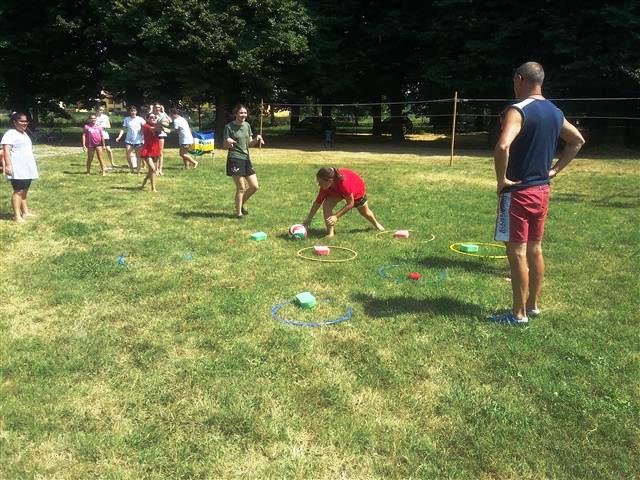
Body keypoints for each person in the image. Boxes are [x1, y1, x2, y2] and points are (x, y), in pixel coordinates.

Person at [488, 61, 585, 326]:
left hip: (518, 192)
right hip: (542, 191)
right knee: (534, 249)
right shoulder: (555, 111)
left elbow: (502, 146)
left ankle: (518, 315)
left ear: (520, 79)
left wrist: (501, 180)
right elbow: (577, 141)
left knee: (517, 252)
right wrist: (554, 171)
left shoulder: (517, 110)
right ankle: (532, 306)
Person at [302, 167, 384, 237]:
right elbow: (317, 202)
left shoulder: (344, 184)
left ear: (330, 181)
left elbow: (350, 203)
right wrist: (309, 218)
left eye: (321, 182)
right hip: (336, 190)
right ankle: (330, 233)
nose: (319, 185)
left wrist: (336, 217)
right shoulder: (326, 186)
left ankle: (376, 224)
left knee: (365, 212)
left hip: (355, 189)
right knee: (327, 205)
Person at [223, 104, 264, 218]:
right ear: (235, 114)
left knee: (254, 186)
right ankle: (238, 213)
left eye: (245, 113)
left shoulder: (247, 125)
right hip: (234, 158)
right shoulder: (229, 127)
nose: (243, 115)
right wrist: (228, 142)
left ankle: (239, 205)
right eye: (241, 113)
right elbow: (224, 145)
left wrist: (256, 139)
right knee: (241, 187)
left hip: (246, 158)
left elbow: (249, 144)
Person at [2, 112, 39, 223]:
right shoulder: (10, 133)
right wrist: (8, 165)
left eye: (26, 121)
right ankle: (17, 216)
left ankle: (25, 213)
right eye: (21, 121)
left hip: (27, 167)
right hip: (17, 168)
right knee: (18, 191)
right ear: (14, 122)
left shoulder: (24, 133)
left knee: (24, 191)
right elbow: (6, 150)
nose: (24, 123)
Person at [140, 113, 168, 192]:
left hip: (155, 150)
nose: (153, 118)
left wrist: (162, 126)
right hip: (147, 150)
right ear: (147, 119)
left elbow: (168, 130)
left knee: (151, 170)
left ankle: (145, 180)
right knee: (153, 169)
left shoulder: (157, 127)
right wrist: (161, 124)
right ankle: (153, 189)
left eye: (155, 117)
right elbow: (154, 129)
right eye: (151, 117)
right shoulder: (146, 126)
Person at [115, 105, 146, 173]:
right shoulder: (127, 119)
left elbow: (146, 126)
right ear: (130, 112)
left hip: (138, 140)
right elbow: (123, 129)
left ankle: (138, 170)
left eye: (134, 111)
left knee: (138, 156)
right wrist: (119, 137)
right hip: (129, 140)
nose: (133, 112)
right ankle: (131, 169)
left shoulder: (140, 119)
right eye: (131, 111)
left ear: (136, 112)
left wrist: (142, 130)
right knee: (128, 154)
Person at [152, 103, 171, 175]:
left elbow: (169, 121)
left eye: (159, 107)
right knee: (154, 152)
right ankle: (155, 169)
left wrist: (164, 112)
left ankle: (160, 169)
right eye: (156, 107)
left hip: (161, 135)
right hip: (153, 135)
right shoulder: (151, 115)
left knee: (160, 152)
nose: (157, 109)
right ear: (153, 108)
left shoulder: (162, 115)